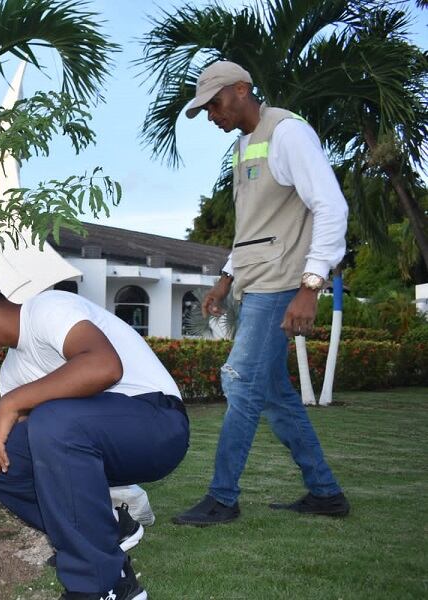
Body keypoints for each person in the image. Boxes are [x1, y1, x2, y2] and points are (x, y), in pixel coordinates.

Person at [0, 276, 189, 600]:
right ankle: (113, 558)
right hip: (99, 441)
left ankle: (93, 587)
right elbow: (1, 462)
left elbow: (104, 366)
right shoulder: (13, 373)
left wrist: (11, 403)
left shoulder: (47, 308)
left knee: (51, 420)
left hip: (158, 424)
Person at [173, 61, 350, 527]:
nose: (212, 115)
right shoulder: (243, 146)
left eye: (215, 103)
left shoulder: (288, 133)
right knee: (275, 393)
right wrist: (226, 279)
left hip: (281, 283)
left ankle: (222, 498)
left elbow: (331, 207)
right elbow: (254, 227)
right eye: (206, 108)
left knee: (240, 382)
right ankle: (325, 493)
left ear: (242, 89)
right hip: (255, 282)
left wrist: (311, 286)